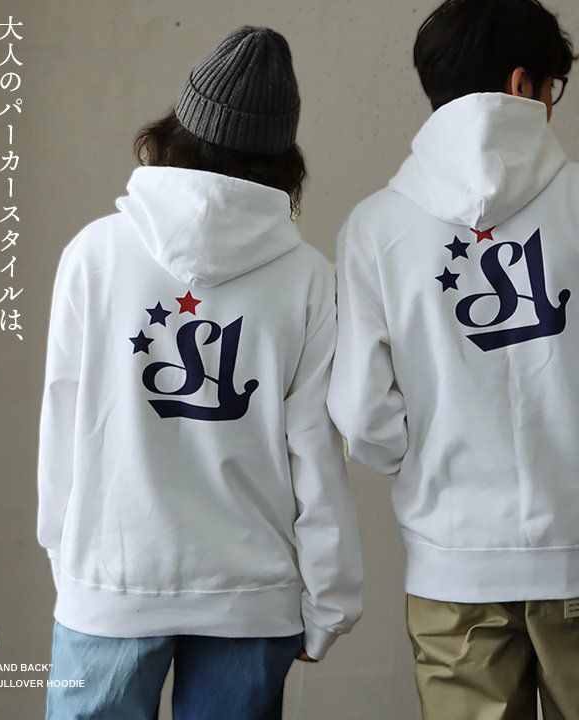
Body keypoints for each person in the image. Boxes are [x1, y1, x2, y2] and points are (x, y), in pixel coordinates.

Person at [37, 25, 363, 720]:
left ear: (178, 128)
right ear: (283, 156)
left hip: (112, 578)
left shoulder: (95, 254)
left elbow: (62, 421)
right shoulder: (308, 278)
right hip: (250, 596)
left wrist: (71, 562)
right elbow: (314, 451)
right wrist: (329, 603)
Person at [327, 1, 578, 718]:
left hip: (454, 564)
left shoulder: (375, 226)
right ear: (523, 84)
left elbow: (363, 417)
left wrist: (430, 456)